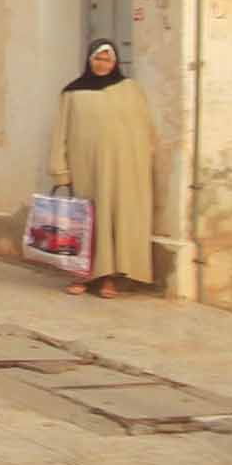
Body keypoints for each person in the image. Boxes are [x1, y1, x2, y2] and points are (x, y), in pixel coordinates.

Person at [48, 40, 156, 300]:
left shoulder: (130, 89)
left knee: (117, 219)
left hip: (124, 169)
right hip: (88, 167)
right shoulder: (73, 92)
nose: (102, 63)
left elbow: (145, 128)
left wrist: (143, 160)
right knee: (89, 220)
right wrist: (60, 168)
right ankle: (84, 273)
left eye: (107, 59)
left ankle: (110, 277)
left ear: (115, 62)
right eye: (98, 58)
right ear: (89, 60)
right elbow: (60, 132)